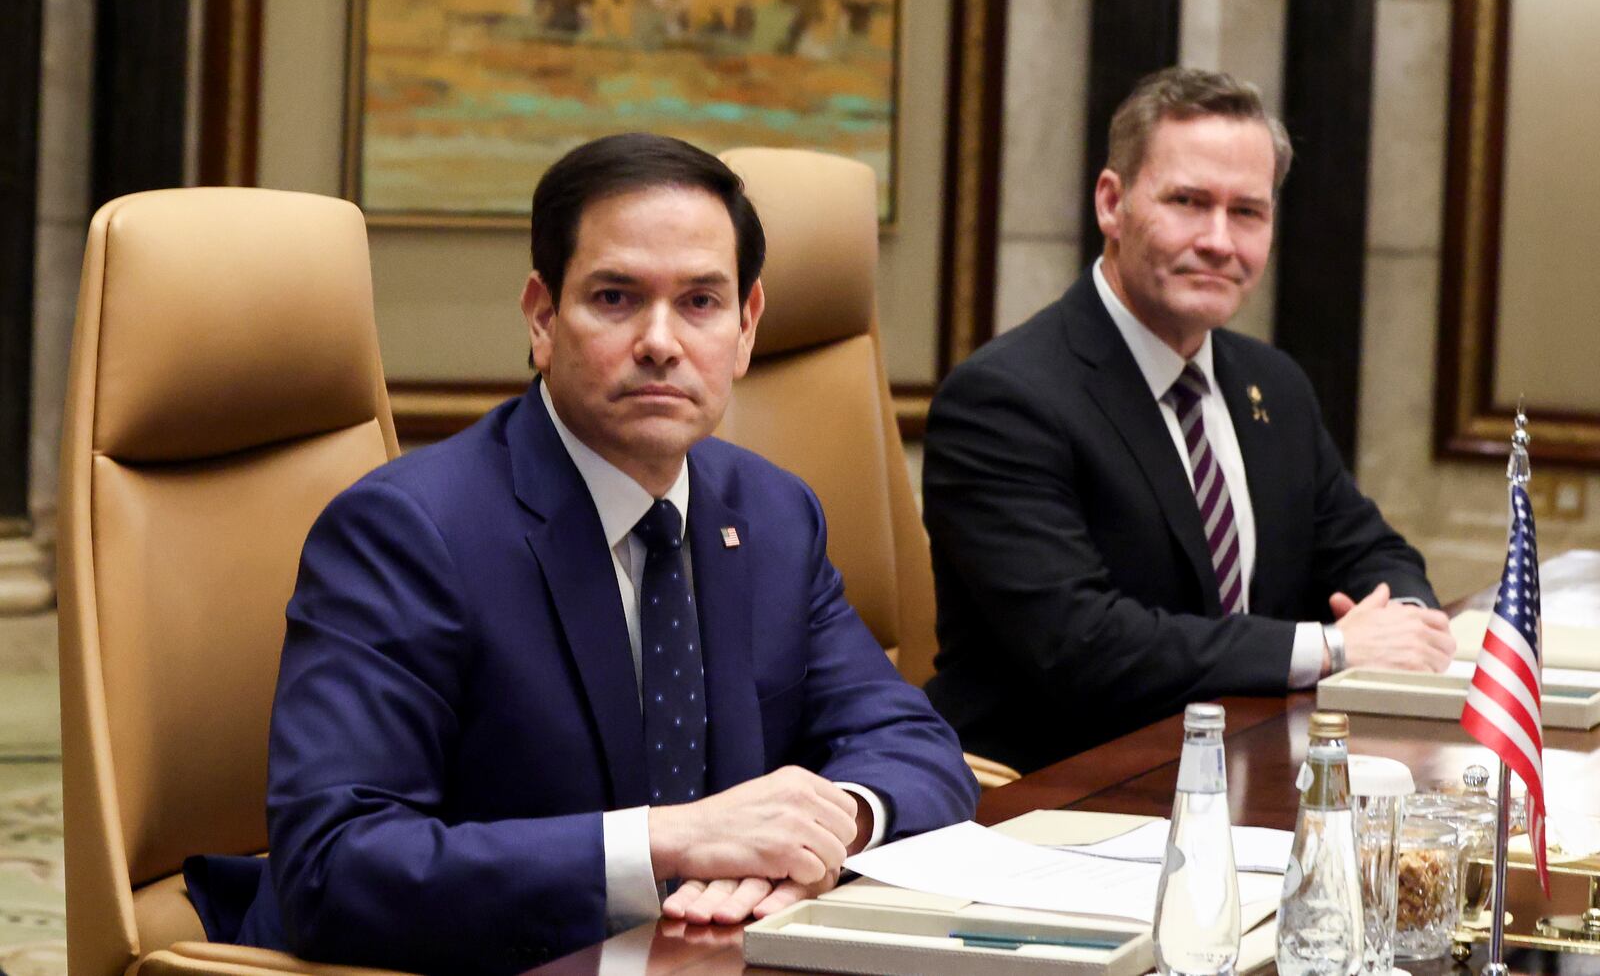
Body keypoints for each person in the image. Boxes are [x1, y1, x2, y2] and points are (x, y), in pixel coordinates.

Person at [187, 132, 978, 974]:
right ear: (541, 316)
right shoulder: (409, 531)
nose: (661, 341)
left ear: (747, 328)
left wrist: (827, 826)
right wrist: (671, 840)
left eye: (702, 303)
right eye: (615, 296)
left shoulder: (774, 513)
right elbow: (332, 866)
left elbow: (915, 746)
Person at [921, 68, 1455, 773]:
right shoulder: (1003, 400)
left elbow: (1373, 552)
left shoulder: (1274, 386)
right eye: (1188, 201)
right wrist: (1336, 647)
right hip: (1059, 796)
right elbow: (1083, 646)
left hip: (1249, 770)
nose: (1218, 240)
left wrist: (1407, 622)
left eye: (1247, 213)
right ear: (1111, 204)